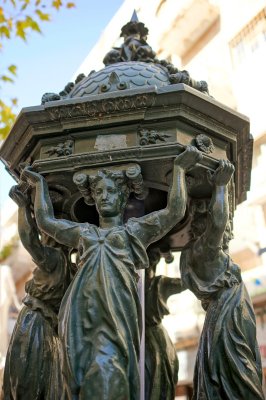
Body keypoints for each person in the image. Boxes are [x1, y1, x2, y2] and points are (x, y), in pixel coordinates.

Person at [22, 145, 202, 400]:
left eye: (111, 191)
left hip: (117, 314)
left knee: (112, 366)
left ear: (122, 197)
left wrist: (180, 170)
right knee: (81, 371)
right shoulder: (85, 233)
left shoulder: (132, 232)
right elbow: (46, 221)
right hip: (82, 317)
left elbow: (174, 212)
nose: (104, 196)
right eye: (98, 192)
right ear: (93, 198)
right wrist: (39, 185)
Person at [180, 160, 264, 400]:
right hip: (229, 319)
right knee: (240, 375)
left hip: (229, 315)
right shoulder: (204, 251)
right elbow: (217, 224)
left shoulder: (195, 255)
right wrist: (219, 186)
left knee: (242, 370)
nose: (227, 229)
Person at [2, 186, 74, 400]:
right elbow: (29, 239)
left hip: (47, 327)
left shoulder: (66, 265)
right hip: (35, 324)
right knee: (28, 384)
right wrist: (23, 207)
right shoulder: (54, 259)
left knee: (40, 386)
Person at [145, 248, 184, 400]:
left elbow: (187, 282)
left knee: (158, 376)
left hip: (150, 337)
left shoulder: (159, 283)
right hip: (153, 338)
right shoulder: (159, 283)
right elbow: (188, 281)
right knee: (157, 376)